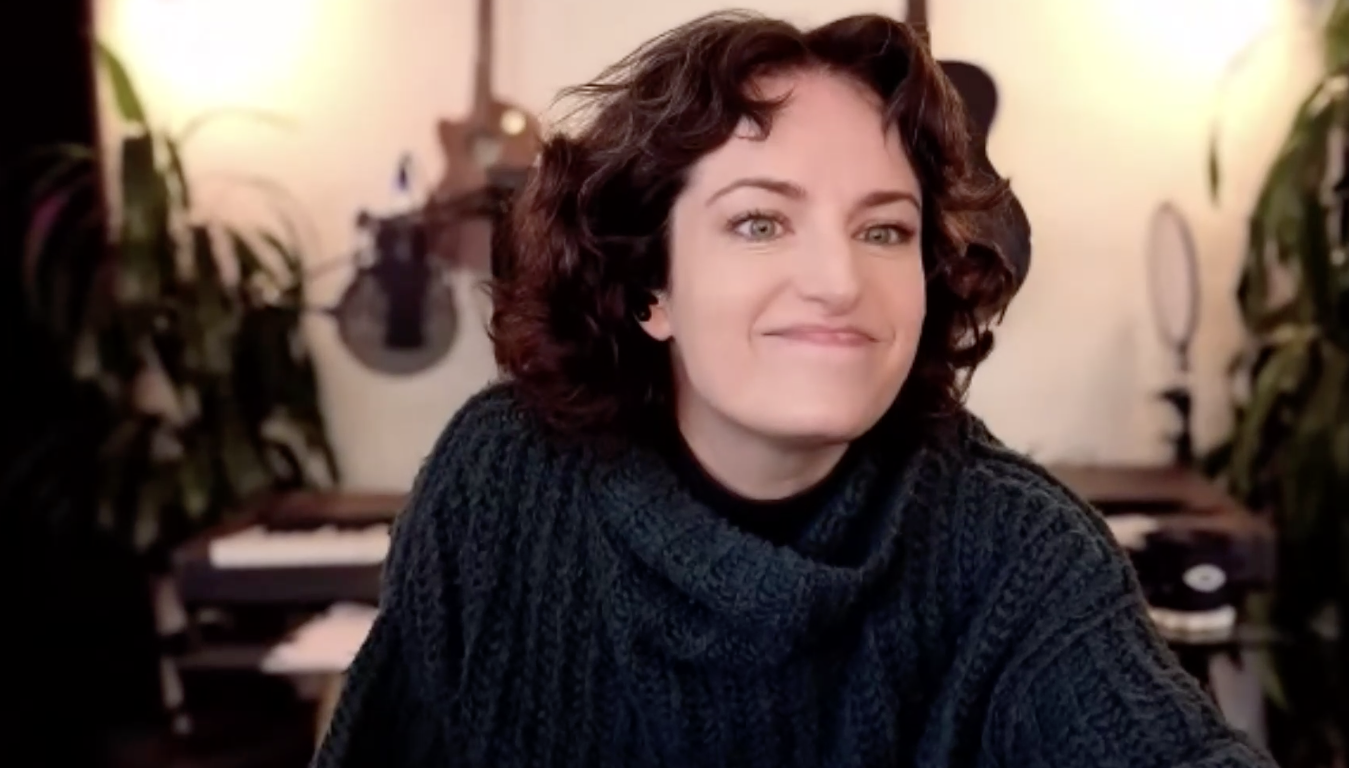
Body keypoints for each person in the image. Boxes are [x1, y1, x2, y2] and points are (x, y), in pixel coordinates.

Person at [312, 11, 1275, 768]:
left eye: (885, 230)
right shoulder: (502, 478)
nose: (839, 281)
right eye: (761, 223)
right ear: (651, 288)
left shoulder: (1019, 550)